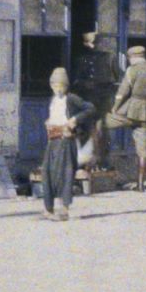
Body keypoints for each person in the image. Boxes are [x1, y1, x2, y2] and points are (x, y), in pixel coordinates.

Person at [105, 43, 146, 192]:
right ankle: (141, 185)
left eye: (130, 58)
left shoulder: (132, 70)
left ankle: (93, 165)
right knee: (142, 151)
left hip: (130, 111)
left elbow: (122, 91)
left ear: (133, 58)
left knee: (100, 124)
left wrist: (115, 107)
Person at [40, 66, 94, 221]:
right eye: (55, 86)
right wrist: (48, 122)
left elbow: (90, 109)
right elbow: (54, 115)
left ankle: (64, 209)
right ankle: (48, 208)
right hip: (52, 140)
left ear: (66, 86)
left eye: (61, 86)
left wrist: (74, 120)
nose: (58, 89)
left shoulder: (71, 99)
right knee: (48, 173)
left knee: (65, 173)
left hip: (65, 140)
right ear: (51, 86)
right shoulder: (52, 100)